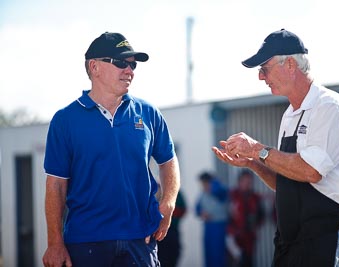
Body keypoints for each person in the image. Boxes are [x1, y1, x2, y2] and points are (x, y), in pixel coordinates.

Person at [212, 29, 339, 266]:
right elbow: (285, 181)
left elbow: (311, 172)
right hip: (289, 242)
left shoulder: (330, 106)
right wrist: (252, 163)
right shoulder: (288, 115)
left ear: (289, 64)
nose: (260, 77)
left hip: (324, 238)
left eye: (264, 69)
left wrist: (257, 150)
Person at [42, 32, 180, 267]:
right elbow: (56, 184)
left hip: (140, 241)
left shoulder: (149, 113)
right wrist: (55, 242)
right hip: (85, 244)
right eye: (120, 63)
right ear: (94, 67)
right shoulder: (65, 120)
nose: (129, 71)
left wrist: (168, 202)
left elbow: (169, 160)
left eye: (132, 64)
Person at [227, 169, 266, 267]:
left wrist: (255, 225)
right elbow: (227, 215)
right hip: (234, 237)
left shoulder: (255, 197)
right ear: (239, 182)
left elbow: (262, 215)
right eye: (245, 181)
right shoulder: (232, 196)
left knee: (248, 262)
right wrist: (231, 232)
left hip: (249, 238)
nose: (247, 184)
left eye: (249, 182)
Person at [195, 172, 229, 267]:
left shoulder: (220, 190)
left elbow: (220, 193)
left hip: (219, 226)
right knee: (208, 254)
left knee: (217, 254)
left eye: (204, 183)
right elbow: (197, 208)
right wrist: (201, 212)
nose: (203, 186)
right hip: (208, 226)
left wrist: (213, 186)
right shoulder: (203, 193)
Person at [157, 190, 187, 267]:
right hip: (157, 233)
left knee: (172, 255)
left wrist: (168, 212)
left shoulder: (176, 192)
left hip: (172, 230)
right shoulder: (153, 188)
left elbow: (182, 210)